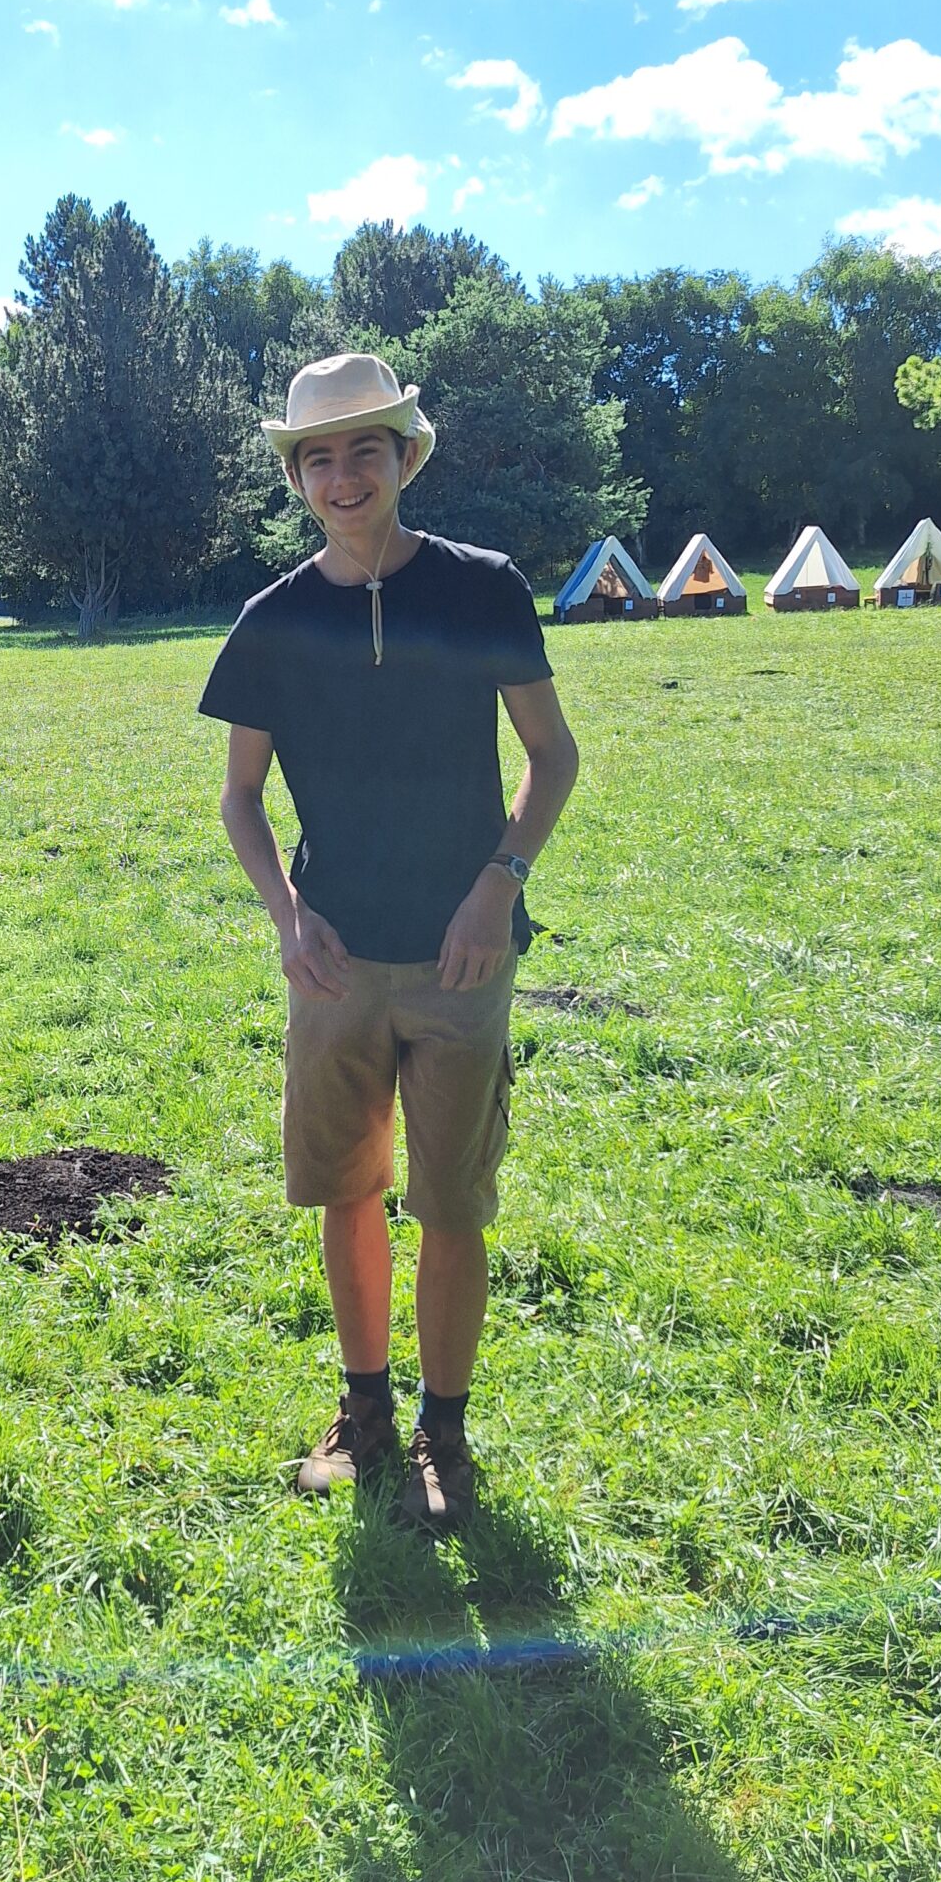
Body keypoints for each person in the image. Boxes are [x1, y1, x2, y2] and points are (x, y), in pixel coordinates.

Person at [199, 353, 578, 1532]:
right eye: (318, 456)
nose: (343, 474)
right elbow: (240, 796)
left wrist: (498, 884)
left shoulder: (483, 590)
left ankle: (442, 1432)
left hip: (466, 956)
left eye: (366, 448)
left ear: (406, 456)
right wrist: (289, 915)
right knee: (349, 1189)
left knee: (452, 1201)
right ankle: (364, 1414)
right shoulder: (273, 621)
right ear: (297, 479)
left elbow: (553, 755)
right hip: (336, 961)